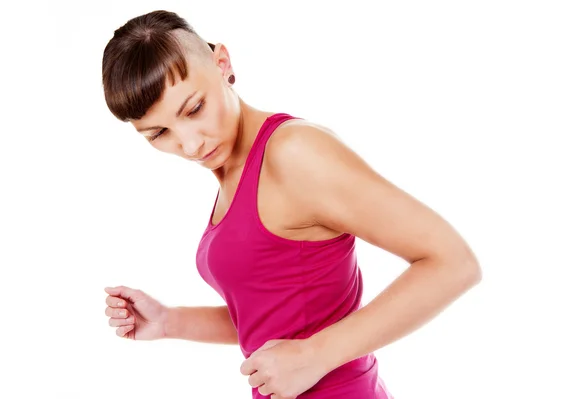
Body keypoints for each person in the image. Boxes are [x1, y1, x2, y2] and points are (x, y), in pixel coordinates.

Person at [102, 10, 482, 399]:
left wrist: (315, 355)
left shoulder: (293, 154)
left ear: (222, 63)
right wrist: (170, 322)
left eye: (194, 108)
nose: (189, 144)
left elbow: (453, 263)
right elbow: (272, 321)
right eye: (159, 133)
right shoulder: (234, 173)